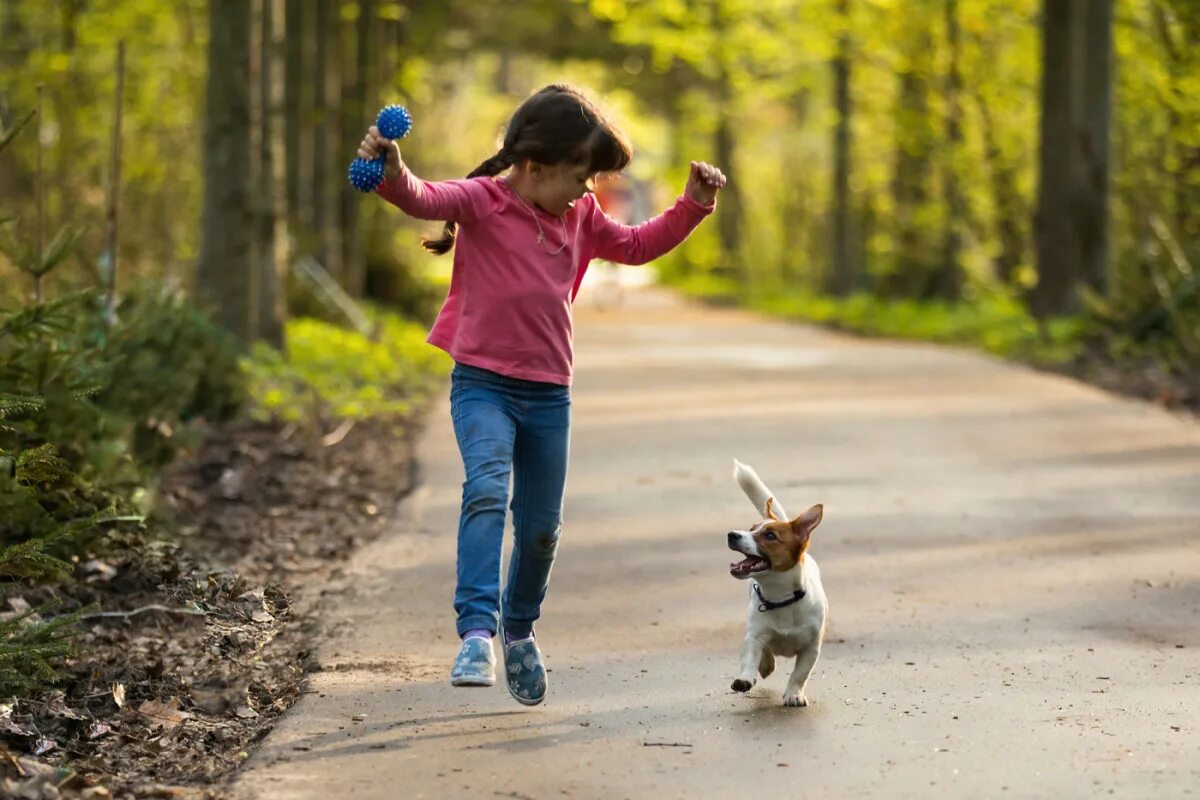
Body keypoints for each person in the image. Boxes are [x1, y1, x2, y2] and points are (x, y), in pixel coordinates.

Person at [355, 83, 725, 706]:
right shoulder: (483, 201)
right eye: (581, 176)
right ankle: (477, 633)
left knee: (542, 530)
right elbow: (423, 196)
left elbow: (635, 247)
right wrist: (392, 172)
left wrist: (691, 206)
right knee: (486, 492)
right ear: (535, 167)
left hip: (550, 394)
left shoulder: (580, 216)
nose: (587, 190)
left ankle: (519, 630)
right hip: (483, 386)